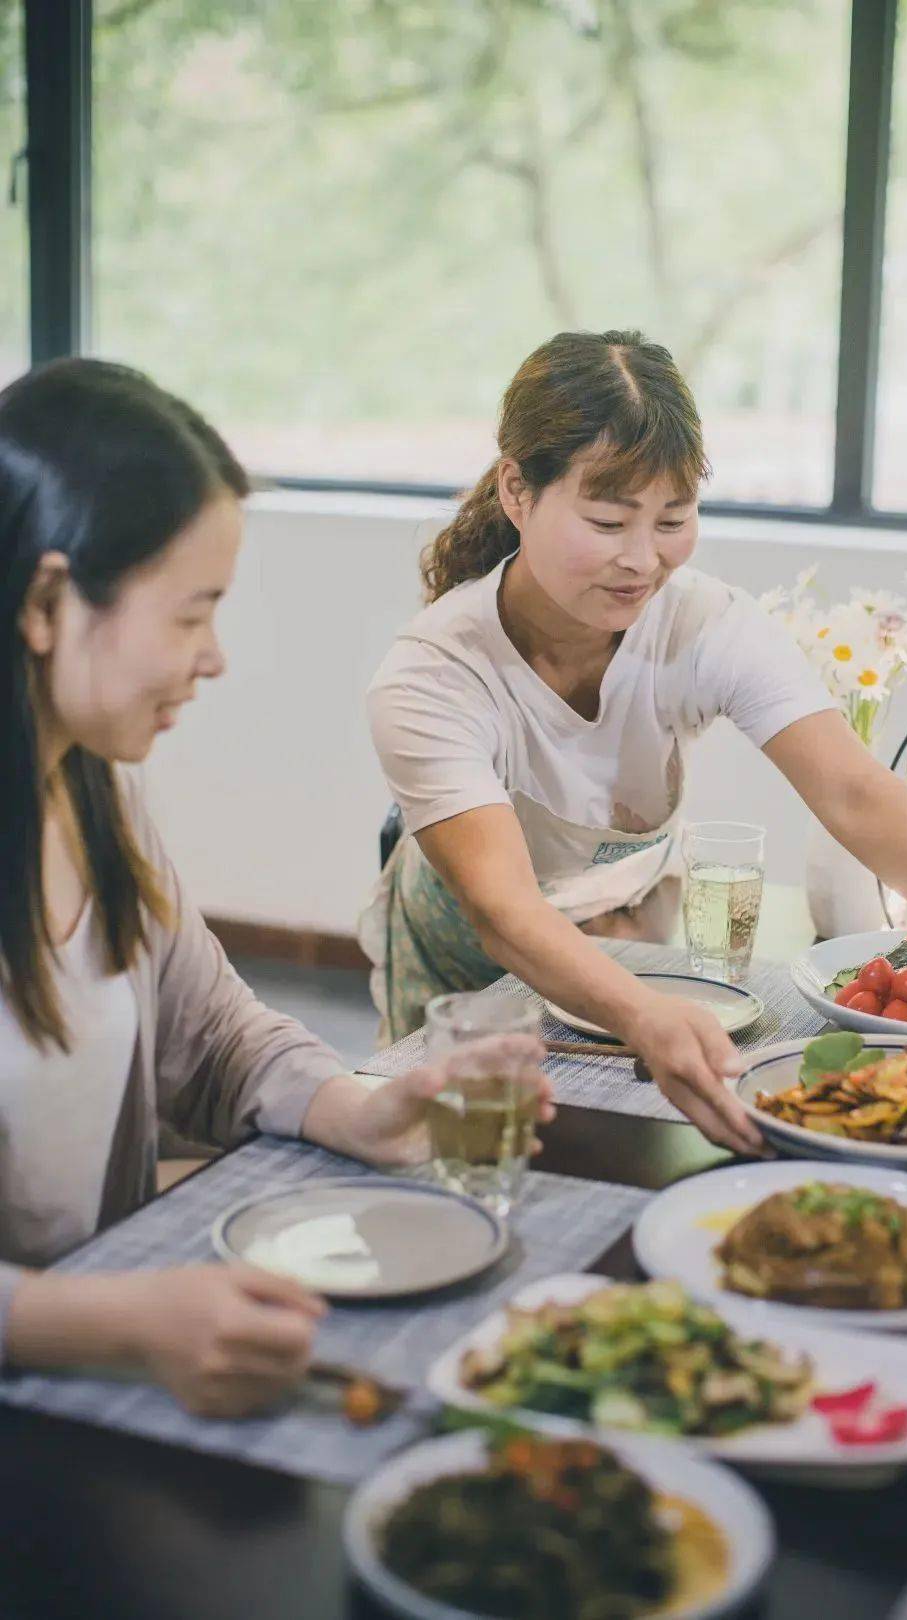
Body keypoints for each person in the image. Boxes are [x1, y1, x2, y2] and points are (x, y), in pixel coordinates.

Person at [362, 328, 907, 1148]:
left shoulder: (706, 622)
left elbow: (856, 793)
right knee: (455, 1151)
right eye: (607, 520)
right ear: (517, 492)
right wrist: (643, 1012)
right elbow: (505, 910)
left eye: (673, 519)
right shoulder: (432, 673)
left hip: (625, 926)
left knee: (624, 1146)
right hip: (460, 951)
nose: (642, 560)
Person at [0, 359, 550, 1418]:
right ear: (45, 602)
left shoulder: (97, 797)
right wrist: (114, 1324)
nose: (213, 659)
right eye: (189, 613)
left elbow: (212, 1034)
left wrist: (361, 1109)